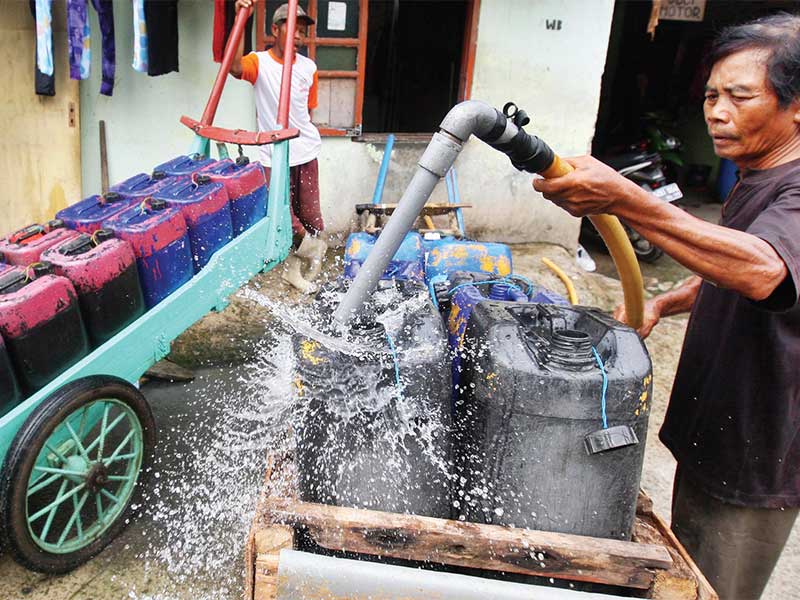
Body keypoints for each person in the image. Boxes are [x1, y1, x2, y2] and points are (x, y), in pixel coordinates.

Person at [532, 14, 800, 600]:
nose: (716, 111)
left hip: (758, 450)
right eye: (710, 95)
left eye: (740, 96)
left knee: (712, 587)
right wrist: (666, 300)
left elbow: (764, 269)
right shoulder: (759, 177)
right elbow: (727, 269)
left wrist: (626, 199)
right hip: (716, 431)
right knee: (684, 562)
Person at [230, 0, 327, 293]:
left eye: (302, 31)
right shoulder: (260, 62)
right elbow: (234, 67)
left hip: (306, 151)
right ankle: (302, 259)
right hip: (274, 155)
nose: (298, 35)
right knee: (286, 217)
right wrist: (240, 20)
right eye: (292, 29)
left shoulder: (309, 68)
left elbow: (307, 112)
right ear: (275, 30)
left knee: (310, 216)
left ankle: (296, 267)